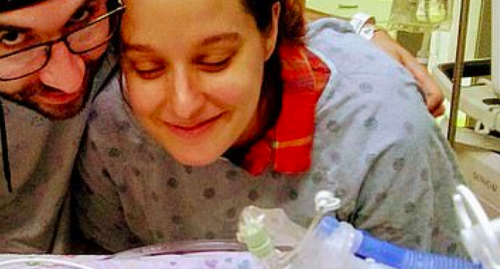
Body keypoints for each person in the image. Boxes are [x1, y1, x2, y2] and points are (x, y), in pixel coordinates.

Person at [0, 0, 446, 264]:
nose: (69, 79)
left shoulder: (376, 128)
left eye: (84, 18)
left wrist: (357, 36)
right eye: (12, 40)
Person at [74, 0, 466, 256]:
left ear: (269, 29)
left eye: (215, 60)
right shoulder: (115, 126)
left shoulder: (380, 129)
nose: (183, 103)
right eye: (147, 68)